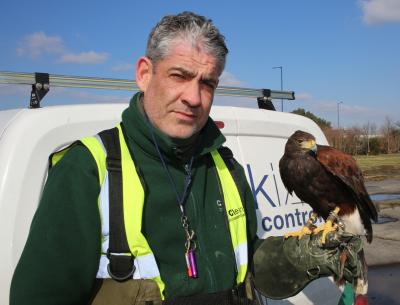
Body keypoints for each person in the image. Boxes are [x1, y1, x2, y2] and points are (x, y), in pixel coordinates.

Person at [10, 11, 363, 305]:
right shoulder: (86, 169)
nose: (193, 97)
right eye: (179, 75)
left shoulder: (225, 165)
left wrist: (298, 257)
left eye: (207, 83)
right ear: (145, 74)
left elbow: (251, 266)